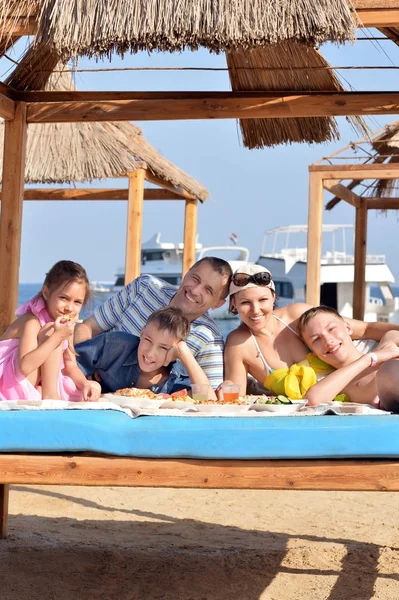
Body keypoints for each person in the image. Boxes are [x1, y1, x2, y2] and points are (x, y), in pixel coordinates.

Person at [223, 263, 399, 398]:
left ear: (273, 297)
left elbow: (366, 329)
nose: (256, 310)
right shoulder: (238, 344)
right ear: (233, 304)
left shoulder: (296, 315)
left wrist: (383, 349)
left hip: (367, 373)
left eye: (263, 300)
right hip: (323, 404)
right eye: (245, 303)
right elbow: (236, 398)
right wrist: (225, 387)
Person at [75, 257, 232, 390]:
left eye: (208, 290)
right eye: (195, 279)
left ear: (218, 303)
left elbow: (208, 396)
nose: (196, 290)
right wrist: (84, 372)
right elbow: (87, 327)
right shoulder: (144, 287)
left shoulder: (210, 338)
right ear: (187, 273)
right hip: (96, 387)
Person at [0, 261, 101, 402]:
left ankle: (45, 392)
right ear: (46, 293)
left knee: (94, 386)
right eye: (64, 298)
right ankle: (50, 396)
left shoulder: (66, 324)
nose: (69, 308)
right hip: (11, 383)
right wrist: (57, 337)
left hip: (38, 380)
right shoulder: (31, 321)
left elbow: (70, 366)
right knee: (51, 330)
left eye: (77, 302)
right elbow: (24, 367)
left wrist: (84, 384)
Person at [77, 306, 217, 399]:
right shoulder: (115, 345)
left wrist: (184, 353)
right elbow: (70, 361)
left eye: (163, 347)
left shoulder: (176, 378)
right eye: (148, 340)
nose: (150, 353)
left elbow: (207, 399)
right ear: (142, 332)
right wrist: (86, 381)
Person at [297, 305, 399, 411]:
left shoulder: (387, 343)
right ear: (313, 352)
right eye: (316, 339)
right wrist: (369, 358)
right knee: (388, 370)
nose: (328, 340)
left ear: (348, 328)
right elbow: (313, 399)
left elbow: (393, 336)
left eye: (331, 329)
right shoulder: (339, 384)